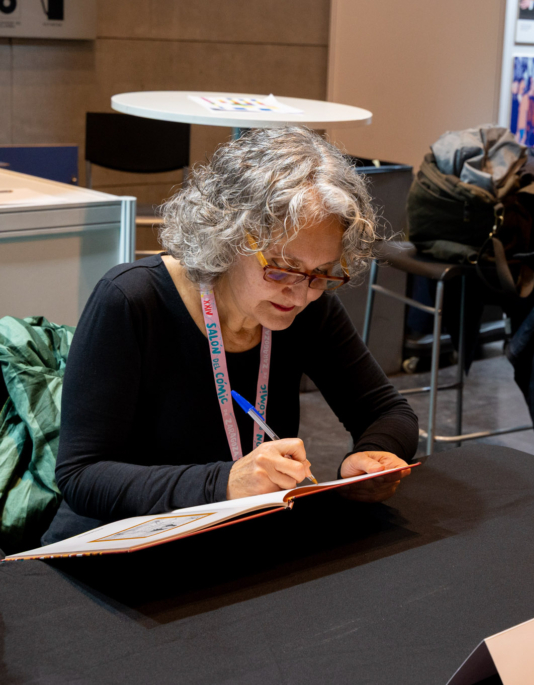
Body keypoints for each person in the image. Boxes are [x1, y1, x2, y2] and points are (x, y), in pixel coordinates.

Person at [43, 127, 419, 544]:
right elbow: (83, 476)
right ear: (228, 236)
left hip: (235, 539)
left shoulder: (310, 306)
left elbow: (388, 412)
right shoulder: (131, 300)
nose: (299, 294)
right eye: (282, 267)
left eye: (322, 273)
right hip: (117, 546)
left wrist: (370, 457)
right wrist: (224, 483)